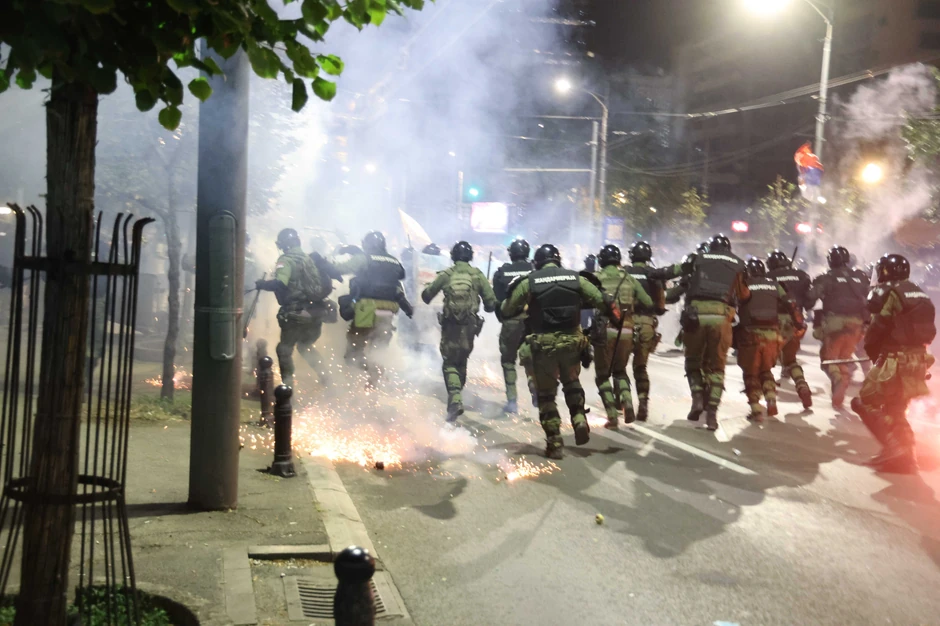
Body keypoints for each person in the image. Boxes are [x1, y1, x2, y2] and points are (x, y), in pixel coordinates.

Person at [501, 243, 619, 459]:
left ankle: (554, 443)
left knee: (546, 396)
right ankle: (579, 419)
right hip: (573, 343)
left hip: (543, 346)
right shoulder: (576, 279)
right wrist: (616, 319)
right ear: (558, 260)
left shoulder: (530, 282)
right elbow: (603, 301)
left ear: (537, 262)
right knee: (572, 383)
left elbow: (507, 309)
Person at [852, 254, 936, 473]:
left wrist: (873, 353)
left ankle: (894, 448)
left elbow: (878, 327)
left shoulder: (891, 292)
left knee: (865, 402)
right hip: (919, 360)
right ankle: (907, 456)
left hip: (894, 359)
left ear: (885, 271)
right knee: (896, 408)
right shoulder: (918, 292)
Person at [660, 234, 749, 430]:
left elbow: (674, 280)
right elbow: (744, 295)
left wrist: (655, 279)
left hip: (696, 316)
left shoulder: (697, 260)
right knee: (717, 368)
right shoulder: (738, 263)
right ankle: (713, 415)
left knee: (692, 361)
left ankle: (697, 398)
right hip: (721, 318)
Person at [422, 241, 498, 423]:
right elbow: (491, 304)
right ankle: (456, 398)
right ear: (470, 256)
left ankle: (455, 398)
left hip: (450, 325)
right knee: (462, 360)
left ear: (453, 256)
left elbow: (426, 296)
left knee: (449, 362)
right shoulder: (477, 275)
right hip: (470, 325)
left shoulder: (447, 274)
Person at [255, 228, 335, 388]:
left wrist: (262, 284)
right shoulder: (308, 259)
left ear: (284, 244)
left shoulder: (286, 260)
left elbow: (280, 283)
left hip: (295, 313)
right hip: (316, 313)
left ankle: (288, 389)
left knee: (284, 349)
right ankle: (326, 378)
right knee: (305, 346)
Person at [333, 231, 412, 387]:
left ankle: (370, 371)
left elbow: (340, 269)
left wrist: (328, 261)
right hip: (389, 311)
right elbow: (399, 280)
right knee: (378, 351)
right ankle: (375, 383)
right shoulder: (394, 261)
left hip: (366, 309)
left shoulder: (364, 258)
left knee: (353, 353)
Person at [736, 258, 805, 423]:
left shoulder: (744, 285)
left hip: (751, 335)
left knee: (750, 372)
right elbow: (790, 302)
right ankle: (771, 398)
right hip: (773, 335)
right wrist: (798, 323)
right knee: (766, 370)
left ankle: (756, 409)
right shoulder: (774, 285)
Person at [591, 244, 653, 429]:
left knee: (602, 376)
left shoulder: (596, 278)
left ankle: (612, 415)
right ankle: (627, 403)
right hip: (626, 331)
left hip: (605, 330)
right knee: (620, 371)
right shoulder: (629, 278)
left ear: (601, 260)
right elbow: (648, 302)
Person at [807, 245, 869, 408]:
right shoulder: (860, 277)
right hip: (857, 325)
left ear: (830, 261)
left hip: (834, 323)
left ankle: (838, 380)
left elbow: (809, 300)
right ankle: (838, 394)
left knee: (828, 360)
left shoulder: (826, 278)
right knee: (844, 357)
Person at [766, 249, 813, 409]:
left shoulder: (768, 278)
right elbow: (809, 301)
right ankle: (802, 386)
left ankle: (770, 397)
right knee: (791, 359)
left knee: (764, 361)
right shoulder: (801, 275)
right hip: (795, 321)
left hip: (774, 321)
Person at [492, 238, 535, 413]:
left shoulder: (502, 272)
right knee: (531, 358)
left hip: (510, 323)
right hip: (531, 321)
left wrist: (502, 317)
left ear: (511, 254)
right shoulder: (535, 271)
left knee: (508, 361)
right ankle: (535, 388)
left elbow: (497, 301)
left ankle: (512, 401)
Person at [626, 240, 668, 421]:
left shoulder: (624, 273)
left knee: (619, 368)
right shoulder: (654, 275)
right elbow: (660, 306)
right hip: (646, 326)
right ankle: (643, 403)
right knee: (641, 367)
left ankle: (624, 401)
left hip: (626, 324)